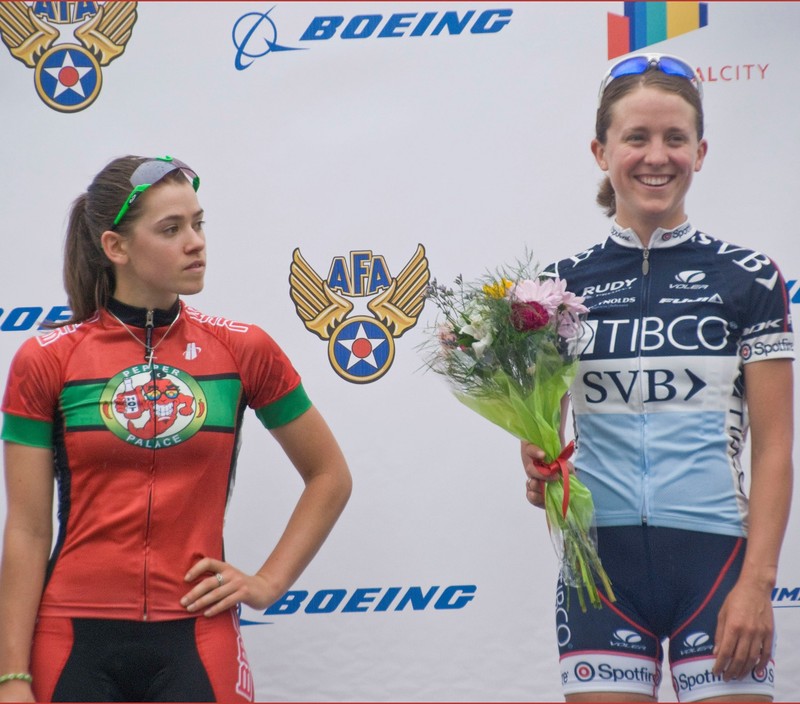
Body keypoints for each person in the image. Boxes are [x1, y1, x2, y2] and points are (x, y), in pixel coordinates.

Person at [0, 155, 352, 702]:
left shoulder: (242, 348)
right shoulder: (48, 359)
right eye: (171, 229)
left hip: (196, 632)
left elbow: (329, 475)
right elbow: (26, 531)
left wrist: (268, 582)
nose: (196, 242)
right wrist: (11, 676)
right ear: (116, 248)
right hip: (71, 633)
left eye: (198, 223)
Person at [521, 54, 794, 702]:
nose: (656, 156)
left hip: (719, 566)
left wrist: (758, 584)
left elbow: (777, 447)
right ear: (601, 150)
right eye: (636, 138)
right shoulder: (556, 289)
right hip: (599, 571)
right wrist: (535, 461)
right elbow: (543, 438)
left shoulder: (750, 278)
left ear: (700, 152)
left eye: (675, 139)